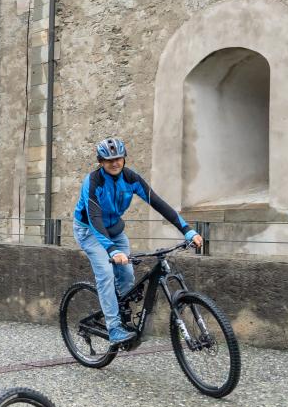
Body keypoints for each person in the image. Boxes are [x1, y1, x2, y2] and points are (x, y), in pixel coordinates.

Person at [72, 136, 203, 345]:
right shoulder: (93, 182)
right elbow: (95, 218)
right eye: (109, 160)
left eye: (119, 158)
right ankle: (114, 328)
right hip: (89, 231)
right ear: (100, 162)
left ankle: (122, 315)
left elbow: (159, 204)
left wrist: (187, 230)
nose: (115, 163)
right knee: (105, 273)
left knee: (127, 275)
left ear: (124, 159)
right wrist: (113, 251)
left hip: (114, 229)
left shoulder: (131, 179)